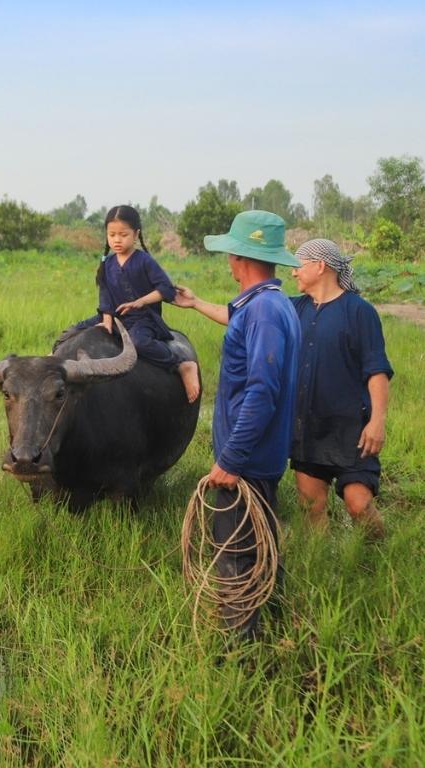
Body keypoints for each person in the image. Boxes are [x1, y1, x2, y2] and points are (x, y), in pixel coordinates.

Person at [173, 210, 300, 636]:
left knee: (235, 555)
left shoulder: (262, 312)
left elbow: (262, 392)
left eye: (230, 253)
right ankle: (274, 627)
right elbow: (238, 319)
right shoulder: (270, 304)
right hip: (261, 457)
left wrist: (230, 459)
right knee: (262, 546)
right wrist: (194, 303)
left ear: (239, 258)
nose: (228, 260)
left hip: (245, 461)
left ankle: (239, 655)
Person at [288, 239, 392, 540]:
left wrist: (378, 421)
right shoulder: (294, 308)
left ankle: (379, 554)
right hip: (308, 426)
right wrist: (196, 303)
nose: (294, 273)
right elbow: (244, 316)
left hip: (352, 430)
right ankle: (320, 567)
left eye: (299, 265)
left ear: (320, 266)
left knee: (358, 505)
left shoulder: (359, 312)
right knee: (311, 507)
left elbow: (377, 370)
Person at [74, 205, 201, 402]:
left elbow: (165, 288)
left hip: (143, 318)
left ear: (136, 234)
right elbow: (105, 293)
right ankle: (50, 363)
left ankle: (180, 364)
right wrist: (107, 319)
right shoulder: (107, 263)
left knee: (139, 342)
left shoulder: (144, 261)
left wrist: (141, 302)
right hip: (114, 316)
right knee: (74, 331)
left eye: (123, 234)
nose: (117, 239)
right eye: (112, 234)